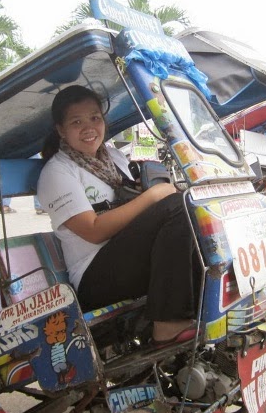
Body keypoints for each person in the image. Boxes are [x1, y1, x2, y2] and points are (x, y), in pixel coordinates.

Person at [37, 85, 198, 346]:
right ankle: (168, 325)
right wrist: (153, 196)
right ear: (61, 130)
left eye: (95, 118)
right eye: (76, 122)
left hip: (127, 255)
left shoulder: (112, 156)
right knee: (176, 205)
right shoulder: (57, 172)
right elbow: (93, 230)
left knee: (194, 207)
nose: (88, 128)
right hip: (94, 275)